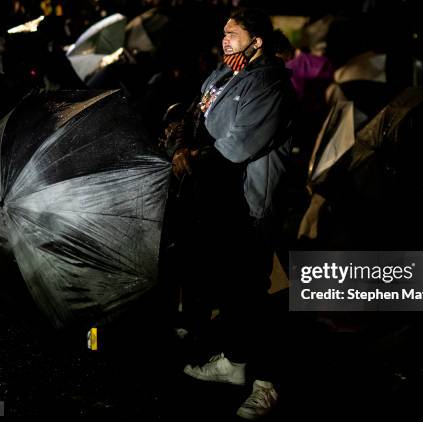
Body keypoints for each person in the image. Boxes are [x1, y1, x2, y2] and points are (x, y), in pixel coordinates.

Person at [161, 7, 295, 420]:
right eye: (223, 33)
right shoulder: (222, 77)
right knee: (237, 288)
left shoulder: (270, 85)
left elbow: (236, 147)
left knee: (260, 294)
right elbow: (193, 116)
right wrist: (183, 140)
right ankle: (235, 364)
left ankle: (268, 384)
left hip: (253, 203)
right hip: (221, 201)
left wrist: (191, 156)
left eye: (233, 33)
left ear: (257, 41)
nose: (225, 40)